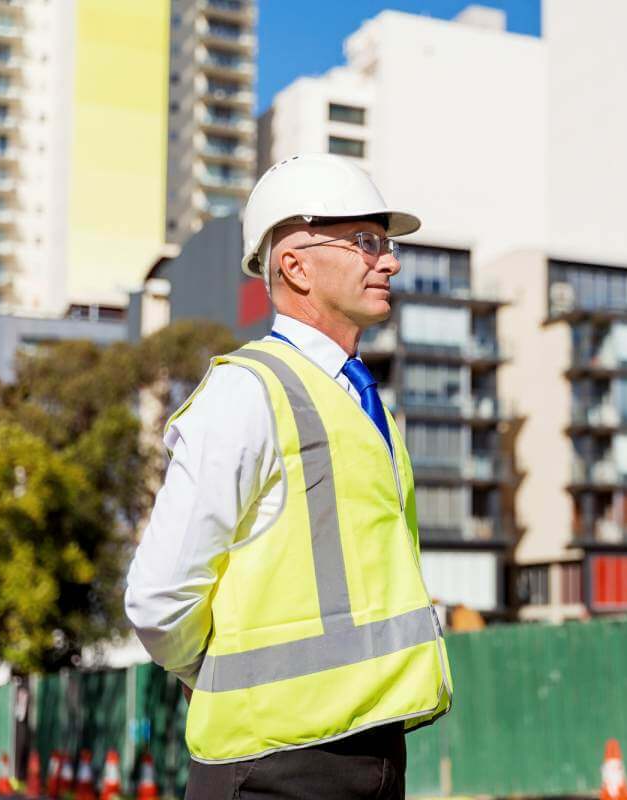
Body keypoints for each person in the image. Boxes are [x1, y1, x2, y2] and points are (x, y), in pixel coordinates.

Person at [125, 154, 452, 800]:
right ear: (295, 265)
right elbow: (158, 598)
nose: (388, 261)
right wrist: (220, 673)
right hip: (271, 772)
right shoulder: (246, 393)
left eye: (386, 245)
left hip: (373, 754)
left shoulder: (366, 403)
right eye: (366, 242)